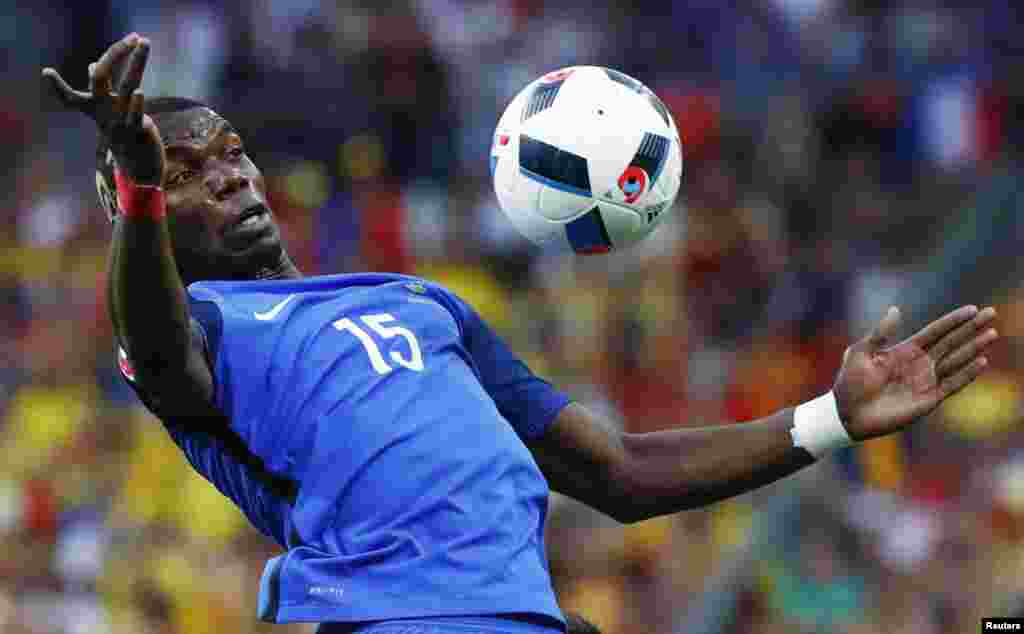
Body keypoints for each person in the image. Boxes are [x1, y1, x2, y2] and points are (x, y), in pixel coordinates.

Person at [42, 33, 998, 634]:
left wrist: (831, 418)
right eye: (187, 171)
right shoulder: (203, 330)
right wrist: (138, 183)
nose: (227, 175)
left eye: (232, 152)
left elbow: (618, 472)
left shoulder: (421, 303)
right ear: (138, 207)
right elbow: (156, 350)